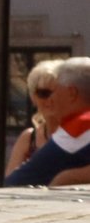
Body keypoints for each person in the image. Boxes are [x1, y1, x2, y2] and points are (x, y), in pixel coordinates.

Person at [5, 57, 90, 187]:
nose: (51, 98)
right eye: (44, 93)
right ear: (33, 97)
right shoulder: (29, 137)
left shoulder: (79, 126)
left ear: (72, 92)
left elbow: (15, 182)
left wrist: (68, 177)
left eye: (55, 91)